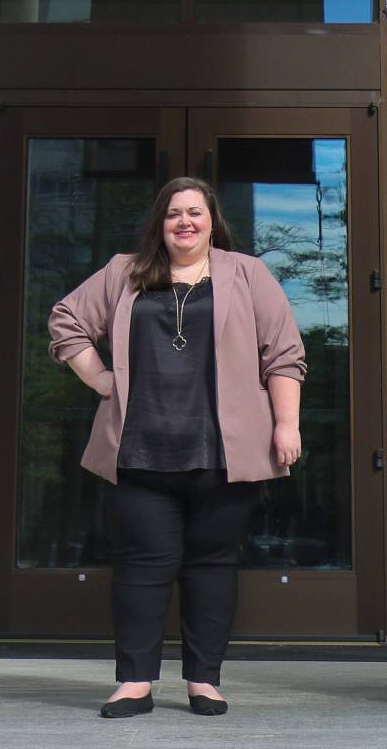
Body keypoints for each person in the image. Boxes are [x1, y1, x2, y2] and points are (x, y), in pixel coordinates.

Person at [47, 176, 306, 720]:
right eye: (173, 214)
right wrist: (99, 379)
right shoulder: (125, 272)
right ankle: (134, 683)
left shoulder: (248, 274)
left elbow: (283, 353)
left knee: (211, 567)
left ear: (213, 219)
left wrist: (287, 425)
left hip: (223, 455)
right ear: (159, 224)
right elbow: (66, 320)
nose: (184, 222)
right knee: (141, 568)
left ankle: (203, 681)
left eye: (195, 212)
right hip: (138, 452)